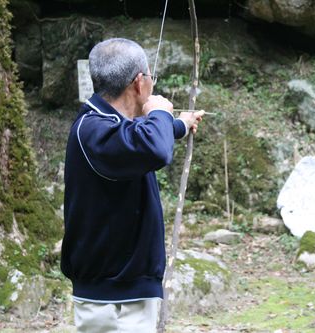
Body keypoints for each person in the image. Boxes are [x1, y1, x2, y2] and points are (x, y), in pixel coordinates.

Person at [60, 38, 204, 332]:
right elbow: (152, 148)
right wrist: (161, 111)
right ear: (139, 82)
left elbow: (138, 138)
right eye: (151, 77)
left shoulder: (107, 123)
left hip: (122, 295)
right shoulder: (94, 129)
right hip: (113, 304)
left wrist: (179, 125)